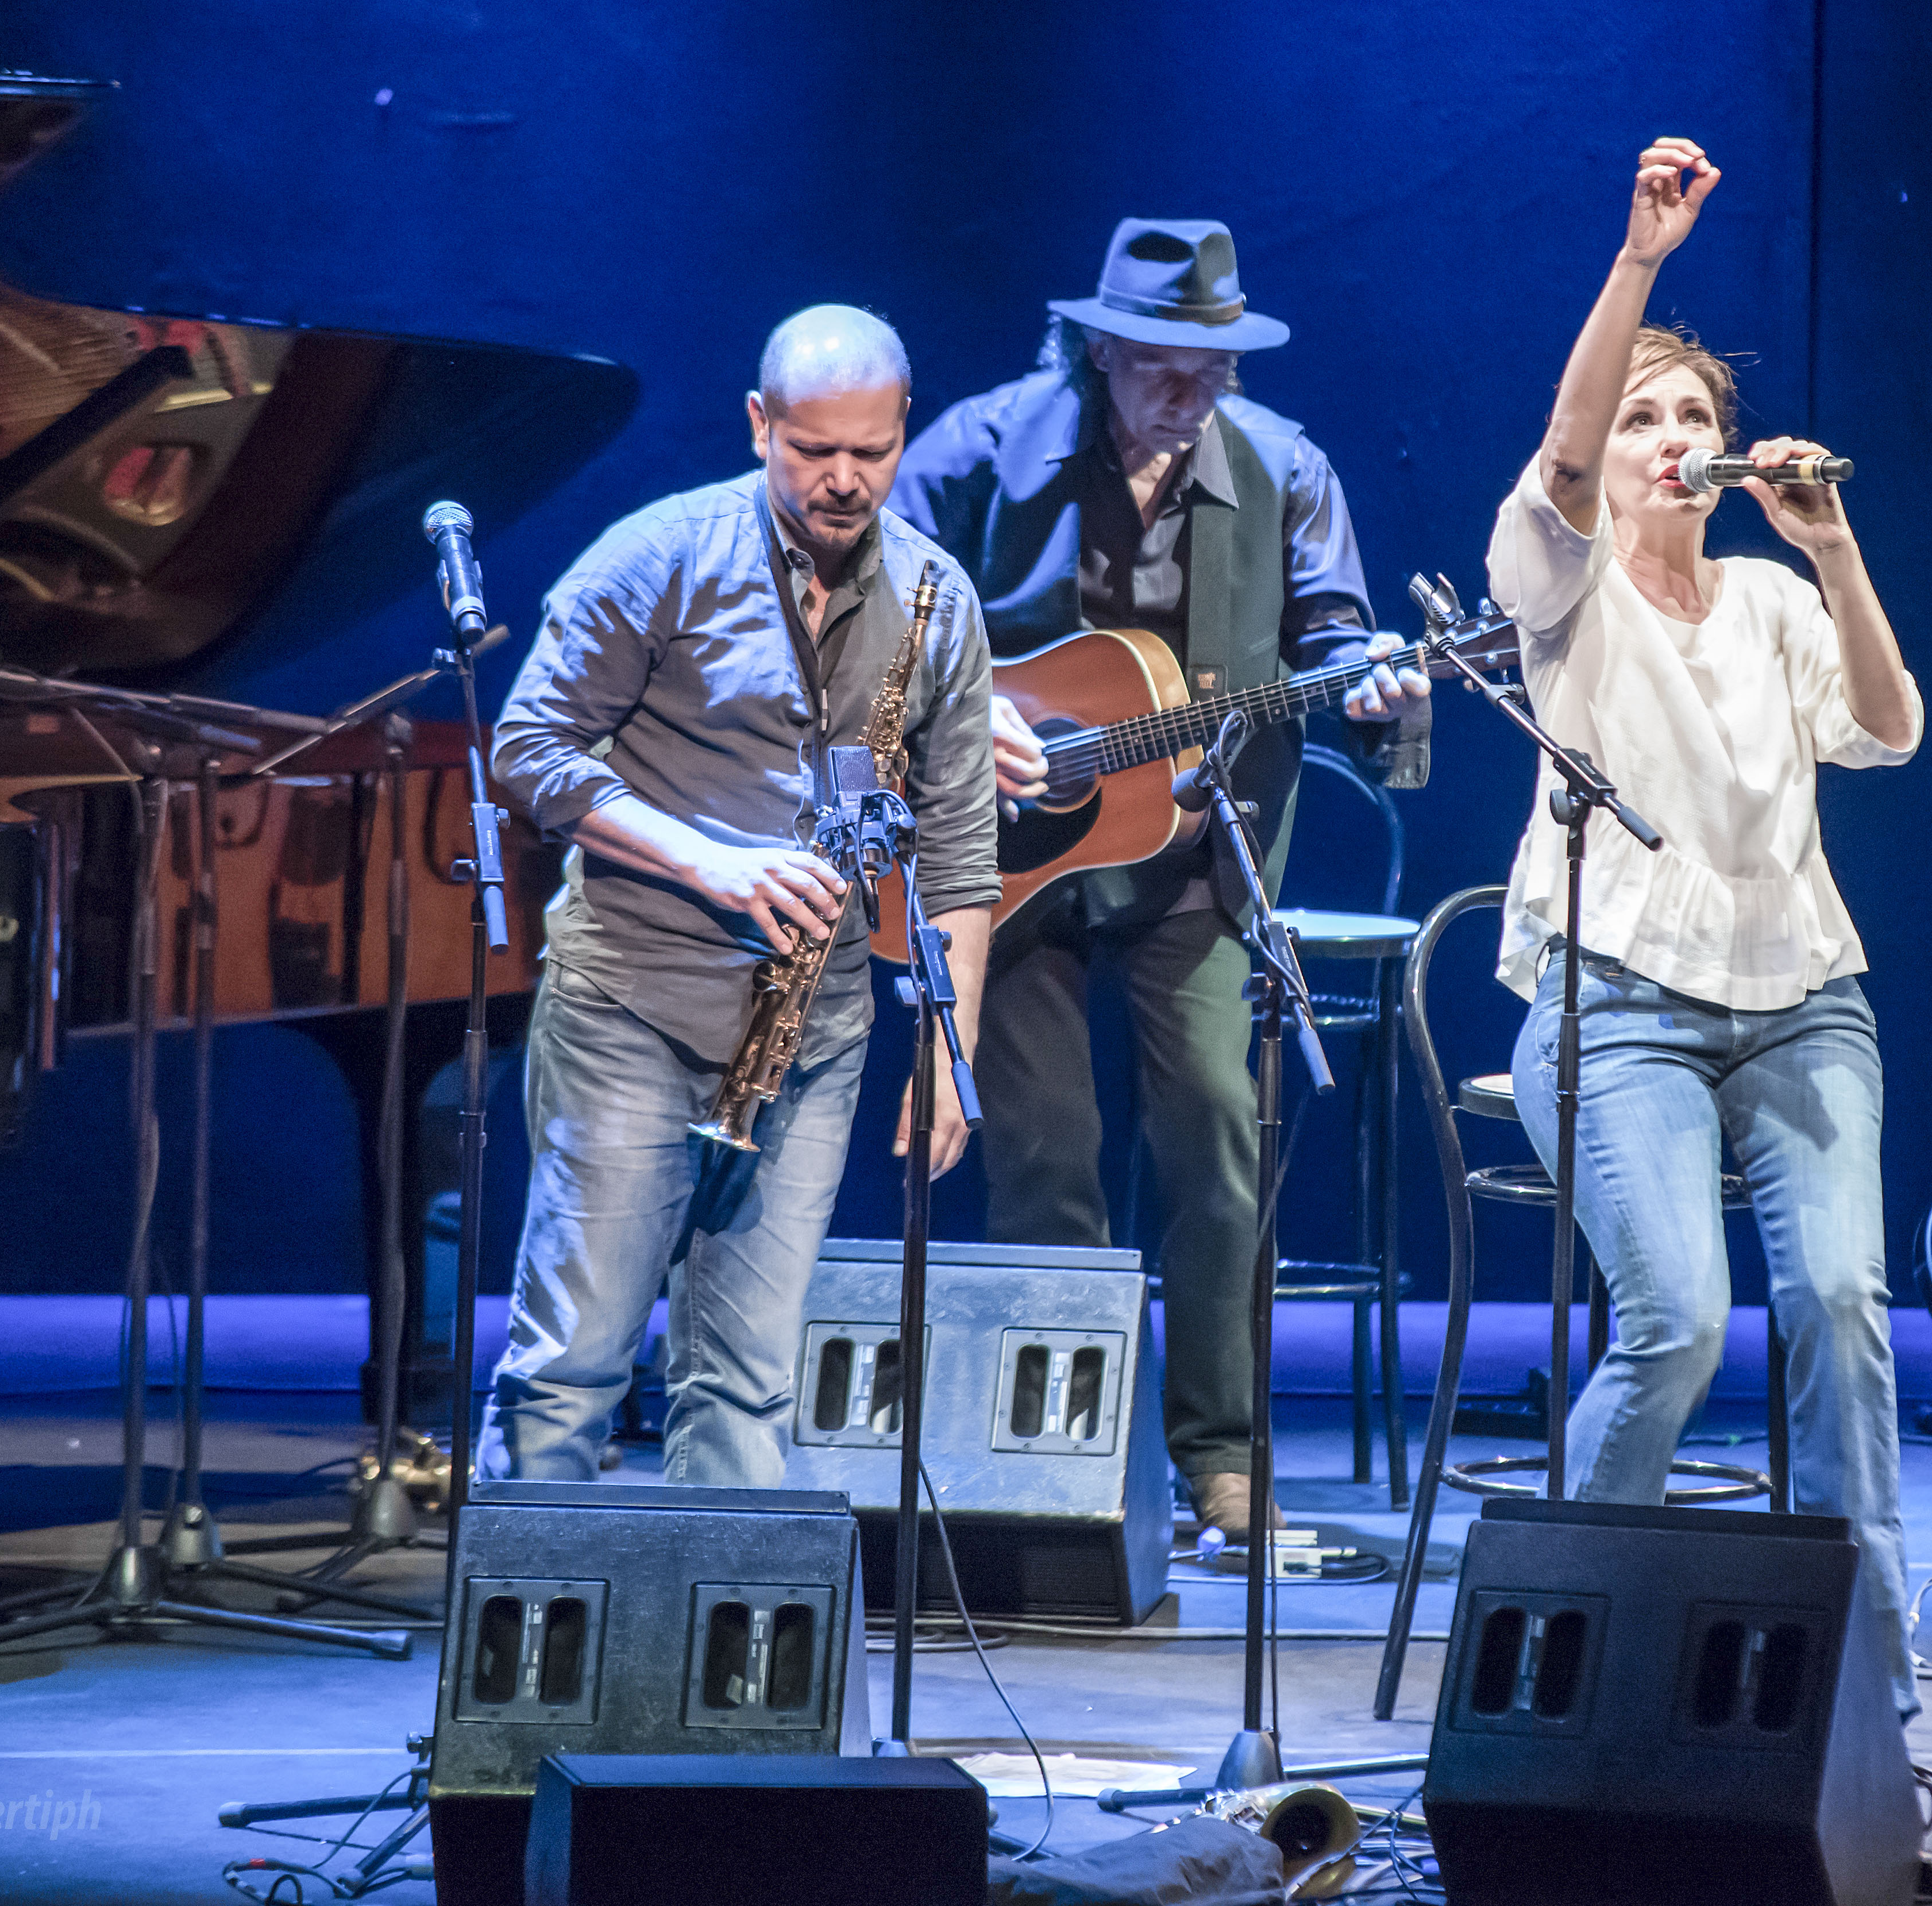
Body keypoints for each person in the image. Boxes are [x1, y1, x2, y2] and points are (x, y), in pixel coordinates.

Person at [890, 218, 1428, 1540]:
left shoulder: (1283, 467)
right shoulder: (975, 448)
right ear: (1103, 346)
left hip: (1199, 854)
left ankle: (1219, 1452)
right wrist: (962, 721)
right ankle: (1065, 1451)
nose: (1189, 386)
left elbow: (1334, 632)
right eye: (1164, 358)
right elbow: (871, 627)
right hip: (1003, 866)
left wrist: (1379, 692)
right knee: (1044, 1157)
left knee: (1212, 1141)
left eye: (1214, 360)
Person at [1489, 138, 1922, 1718]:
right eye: (1644, 421)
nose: (1670, 440)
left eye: (1695, 421)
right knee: (1674, 1317)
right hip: (1616, 1002)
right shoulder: (1561, 584)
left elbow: (1886, 730)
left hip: (1803, 996)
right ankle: (1557, 1649)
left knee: (1838, 1306)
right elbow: (1553, 446)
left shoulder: (1770, 595)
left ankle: (1868, 1672)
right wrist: (1640, 262)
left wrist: (1831, 545)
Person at [480, 304, 999, 1484]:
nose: (843, 481)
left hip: (812, 1039)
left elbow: (963, 845)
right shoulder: (659, 555)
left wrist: (950, 1039)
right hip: (634, 1007)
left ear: (901, 433)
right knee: (573, 1363)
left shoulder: (937, 600)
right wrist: (708, 860)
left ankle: (722, 1659)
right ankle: (536, 1653)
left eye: (870, 453)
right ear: (759, 424)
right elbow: (529, 748)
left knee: (749, 1379)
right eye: (813, 451)